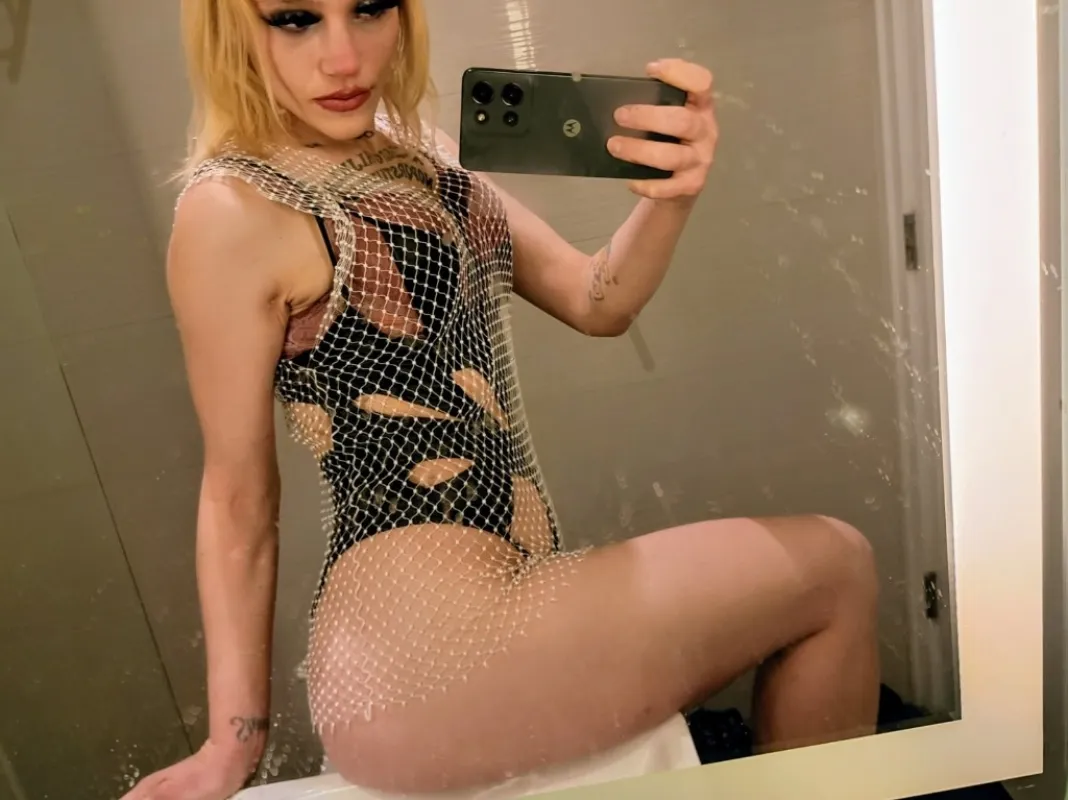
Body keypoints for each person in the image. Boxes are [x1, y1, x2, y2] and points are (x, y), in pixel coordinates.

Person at [123, 0, 880, 797]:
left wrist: (669, 197)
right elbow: (238, 498)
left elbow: (596, 300)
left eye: (370, 7)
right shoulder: (233, 209)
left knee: (831, 569)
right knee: (835, 567)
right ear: (229, 28)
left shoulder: (418, 147)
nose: (343, 57)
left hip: (497, 607)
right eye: (295, 18)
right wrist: (234, 742)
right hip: (413, 657)